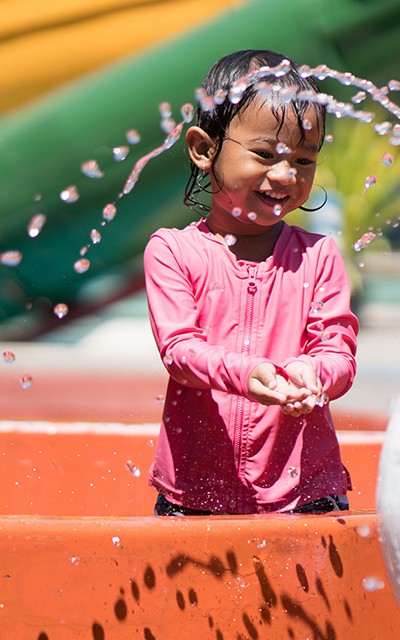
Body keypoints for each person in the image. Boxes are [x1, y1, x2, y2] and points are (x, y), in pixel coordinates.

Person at [143, 50, 359, 516]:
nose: (286, 175)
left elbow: (338, 352)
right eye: (264, 154)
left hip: (305, 494)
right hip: (196, 494)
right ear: (204, 149)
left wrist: (313, 374)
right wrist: (249, 374)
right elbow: (180, 352)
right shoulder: (173, 252)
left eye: (304, 159)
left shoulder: (317, 256)